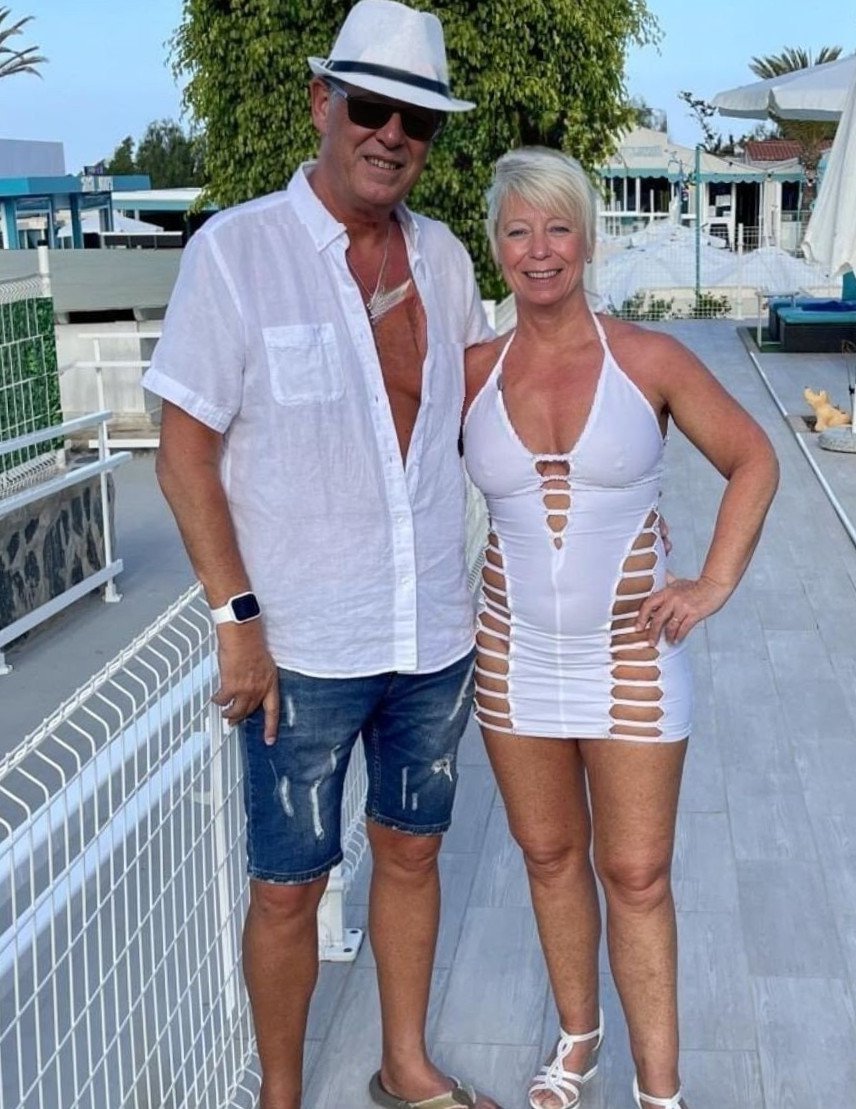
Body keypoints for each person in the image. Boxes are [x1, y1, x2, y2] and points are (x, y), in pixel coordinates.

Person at [141, 3, 499, 1108]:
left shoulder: (444, 259)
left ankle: (404, 1065)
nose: (392, 134)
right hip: (298, 647)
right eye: (372, 107)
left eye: (416, 120)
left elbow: (488, 414)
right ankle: (281, 1096)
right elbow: (183, 454)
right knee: (289, 886)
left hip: (431, 634)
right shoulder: (237, 252)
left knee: (412, 852)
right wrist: (236, 618)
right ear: (322, 104)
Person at [462, 148, 779, 1109]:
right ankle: (578, 1039)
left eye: (558, 227)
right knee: (549, 856)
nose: (540, 249)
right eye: (518, 230)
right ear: (496, 246)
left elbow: (755, 458)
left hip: (632, 654)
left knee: (636, 872)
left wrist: (712, 582)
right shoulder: (472, 372)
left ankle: (661, 1091)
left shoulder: (648, 359)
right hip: (513, 655)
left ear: (589, 239)